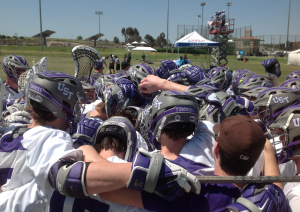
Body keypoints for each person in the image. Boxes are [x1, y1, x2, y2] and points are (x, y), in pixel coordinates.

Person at [0, 71, 199, 211]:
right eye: (73, 104)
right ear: (59, 106)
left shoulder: (10, 134)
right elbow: (66, 177)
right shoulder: (51, 136)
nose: (77, 110)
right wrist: (146, 171)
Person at [100, 115, 285, 212]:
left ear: (216, 148)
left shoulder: (189, 187)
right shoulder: (267, 197)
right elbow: (276, 184)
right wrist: (266, 147)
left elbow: (106, 190)